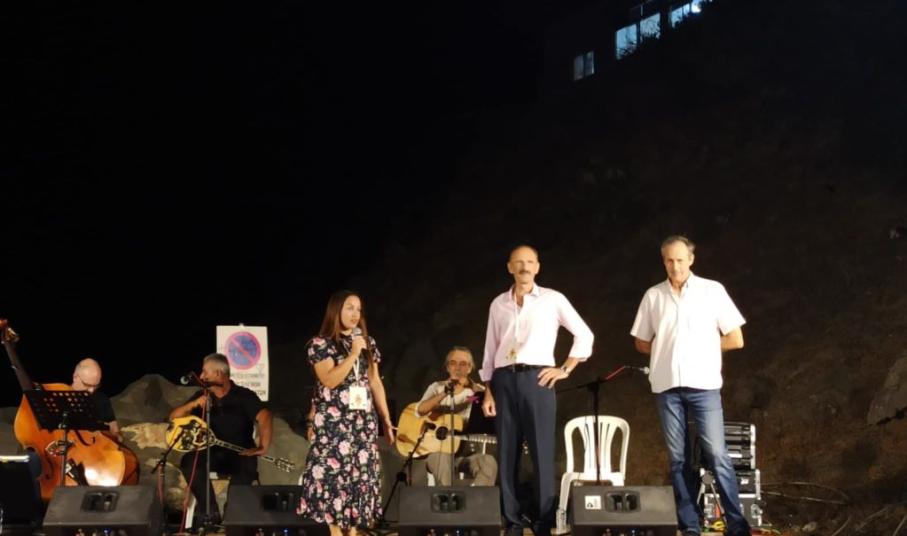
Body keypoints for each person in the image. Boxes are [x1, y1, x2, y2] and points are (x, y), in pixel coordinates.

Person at [630, 235, 751, 536]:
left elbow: (735, 338)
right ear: (664, 262)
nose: (676, 266)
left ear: (691, 260)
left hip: (704, 385)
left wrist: (703, 348)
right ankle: (690, 525)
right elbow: (641, 341)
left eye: (680, 260)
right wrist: (667, 351)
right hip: (667, 387)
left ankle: (737, 525)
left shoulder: (712, 290)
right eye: (670, 261)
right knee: (678, 458)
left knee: (717, 455)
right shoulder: (654, 296)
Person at [481, 245, 594, 536]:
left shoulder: (552, 299)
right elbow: (490, 350)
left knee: (542, 452)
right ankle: (513, 522)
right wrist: (489, 390)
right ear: (509, 267)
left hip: (538, 379)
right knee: (507, 453)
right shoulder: (498, 304)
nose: (524, 267)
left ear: (537, 267)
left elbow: (584, 335)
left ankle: (543, 522)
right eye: (519, 262)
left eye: (530, 262)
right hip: (504, 379)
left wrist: (565, 368)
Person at [297, 290, 395, 536]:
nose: (355, 314)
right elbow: (330, 380)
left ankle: (351, 531)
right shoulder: (320, 344)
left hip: (362, 422)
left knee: (358, 478)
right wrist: (352, 354)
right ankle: (335, 531)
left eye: (358, 309)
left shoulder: (367, 342)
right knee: (333, 477)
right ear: (336, 310)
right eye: (349, 308)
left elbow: (375, 381)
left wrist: (385, 418)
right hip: (333, 424)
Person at [169, 353, 273, 524]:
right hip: (210, 452)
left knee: (247, 467)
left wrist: (263, 446)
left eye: (205, 372)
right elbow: (173, 418)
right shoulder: (201, 395)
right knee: (189, 462)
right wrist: (192, 405)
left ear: (218, 374)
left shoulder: (243, 395)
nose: (201, 376)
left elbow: (265, 416)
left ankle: (232, 515)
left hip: (239, 454)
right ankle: (210, 513)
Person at [415, 346, 497, 486]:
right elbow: (420, 410)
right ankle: (446, 498)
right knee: (441, 459)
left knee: (488, 463)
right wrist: (445, 392)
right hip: (438, 452)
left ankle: (475, 499)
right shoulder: (436, 387)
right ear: (447, 367)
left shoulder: (474, 393)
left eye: (463, 364)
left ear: (470, 368)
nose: (457, 368)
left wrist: (472, 387)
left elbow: (481, 401)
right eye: (453, 363)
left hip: (466, 455)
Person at [70, 357, 122, 440]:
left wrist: (115, 435)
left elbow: (114, 429)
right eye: (88, 385)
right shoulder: (57, 398)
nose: (91, 390)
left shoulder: (102, 399)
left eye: (96, 385)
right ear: (75, 377)